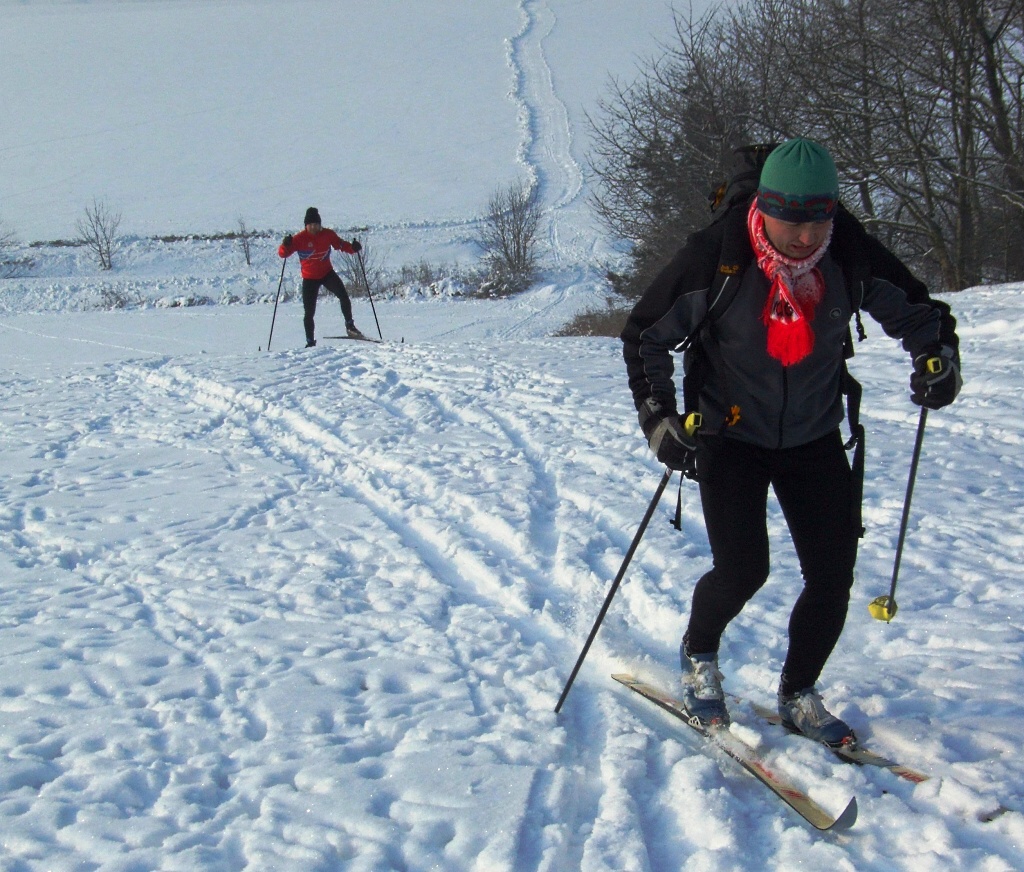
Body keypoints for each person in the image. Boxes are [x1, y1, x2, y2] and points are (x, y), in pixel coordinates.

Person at [621, 138, 961, 746]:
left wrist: (937, 357)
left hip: (813, 433)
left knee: (833, 576)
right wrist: (659, 419)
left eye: (819, 217)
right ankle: (699, 656)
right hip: (730, 433)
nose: (805, 236)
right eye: (792, 218)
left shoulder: (847, 252)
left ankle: (798, 692)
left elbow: (919, 312)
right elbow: (645, 334)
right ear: (765, 207)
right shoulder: (717, 255)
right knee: (744, 569)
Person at [278, 207, 365, 347]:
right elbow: (283, 254)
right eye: (311, 224)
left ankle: (350, 326)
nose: (314, 227)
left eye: (316, 224)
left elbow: (340, 245)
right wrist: (285, 245)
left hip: (327, 273)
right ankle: (310, 342)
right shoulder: (299, 239)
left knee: (343, 295)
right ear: (306, 225)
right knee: (309, 312)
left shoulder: (327, 234)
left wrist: (353, 248)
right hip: (309, 278)